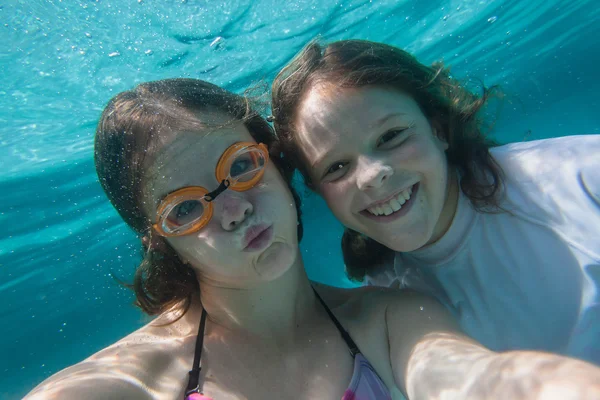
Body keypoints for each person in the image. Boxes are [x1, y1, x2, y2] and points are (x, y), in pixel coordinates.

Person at [26, 78, 600, 400]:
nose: (231, 210)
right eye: (184, 210)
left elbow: (481, 380)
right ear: (159, 241)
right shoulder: (131, 381)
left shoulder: (390, 322)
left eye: (242, 166)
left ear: (278, 165)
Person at [271, 39, 600, 365]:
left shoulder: (579, 177)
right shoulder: (386, 298)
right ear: (318, 191)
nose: (372, 176)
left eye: (390, 136)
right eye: (337, 167)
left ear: (438, 129)